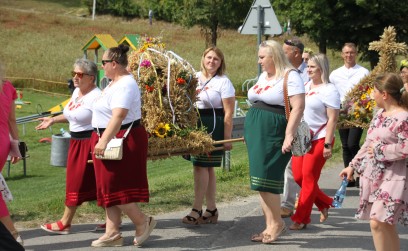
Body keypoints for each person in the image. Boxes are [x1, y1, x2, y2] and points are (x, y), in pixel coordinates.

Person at [91, 44, 155, 247]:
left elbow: (119, 115)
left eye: (104, 62)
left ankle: (142, 221)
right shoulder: (112, 83)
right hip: (110, 137)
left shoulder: (125, 84)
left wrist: (103, 140)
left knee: (115, 186)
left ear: (114, 64)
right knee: (106, 187)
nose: (102, 66)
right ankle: (112, 233)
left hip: (120, 139)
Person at [244, 40, 305, 244]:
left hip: (274, 131)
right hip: (257, 131)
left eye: (262, 57)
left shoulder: (290, 76)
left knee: (267, 177)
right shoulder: (264, 75)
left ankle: (277, 223)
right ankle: (269, 224)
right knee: (260, 181)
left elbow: (298, 107)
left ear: (274, 57)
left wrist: (289, 135)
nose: (259, 60)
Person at [340, 73, 408, 251]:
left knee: (377, 221)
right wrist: (352, 166)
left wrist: (381, 151)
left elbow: (406, 148)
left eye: (374, 91)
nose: (371, 94)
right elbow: (368, 143)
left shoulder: (404, 118)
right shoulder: (379, 115)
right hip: (374, 176)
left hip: (395, 177)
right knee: (384, 223)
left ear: (384, 94)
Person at [37, 59, 101, 235]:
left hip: (89, 143)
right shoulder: (77, 93)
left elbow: (107, 119)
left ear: (91, 78)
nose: (75, 77)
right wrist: (53, 119)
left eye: (79, 74)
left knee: (78, 182)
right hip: (76, 142)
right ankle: (114, 220)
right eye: (74, 73)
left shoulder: (96, 96)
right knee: (95, 183)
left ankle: (65, 222)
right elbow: (72, 114)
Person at [182, 47, 235, 225]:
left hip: (213, 125)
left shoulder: (223, 82)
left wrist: (227, 137)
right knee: (207, 168)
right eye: (209, 57)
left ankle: (197, 208)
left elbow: (228, 112)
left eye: (216, 59)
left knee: (200, 166)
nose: (211, 61)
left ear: (221, 63)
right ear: (203, 58)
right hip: (195, 123)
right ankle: (211, 208)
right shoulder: (193, 77)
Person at [289, 53, 340, 230]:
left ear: (321, 68)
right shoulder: (305, 86)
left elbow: (333, 119)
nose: (308, 69)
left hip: (320, 139)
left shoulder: (329, 90)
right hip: (302, 137)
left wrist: (327, 144)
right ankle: (325, 202)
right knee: (298, 176)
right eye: (307, 65)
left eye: (312, 66)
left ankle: (301, 218)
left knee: (309, 177)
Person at [329, 42, 369, 187]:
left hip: (357, 111)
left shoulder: (363, 72)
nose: (349, 55)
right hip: (341, 111)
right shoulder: (335, 74)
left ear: (356, 53)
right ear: (342, 54)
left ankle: (361, 172)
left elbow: (368, 92)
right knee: (345, 145)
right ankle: (349, 176)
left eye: (352, 52)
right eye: (346, 52)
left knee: (353, 144)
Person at [280, 37, 309, 218]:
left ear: (296, 53)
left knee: (303, 167)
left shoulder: (311, 71)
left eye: (285, 52)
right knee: (291, 165)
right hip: (289, 122)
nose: (282, 55)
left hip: (307, 125)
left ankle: (304, 198)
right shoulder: (283, 72)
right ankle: (289, 203)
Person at [0, 62, 24, 246]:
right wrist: (17, 145)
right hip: (3, 143)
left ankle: (13, 237)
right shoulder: (7, 87)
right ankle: (13, 236)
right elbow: (12, 120)